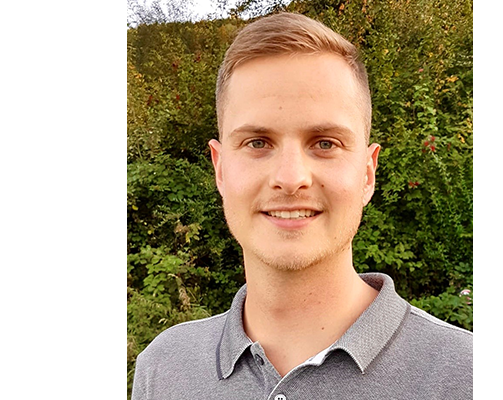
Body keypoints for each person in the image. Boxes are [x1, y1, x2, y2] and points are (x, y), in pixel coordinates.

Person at [132, 12, 473, 400]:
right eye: (257, 143)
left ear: (367, 173)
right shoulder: (164, 368)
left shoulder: (462, 375)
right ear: (220, 169)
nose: (291, 177)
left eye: (325, 143)